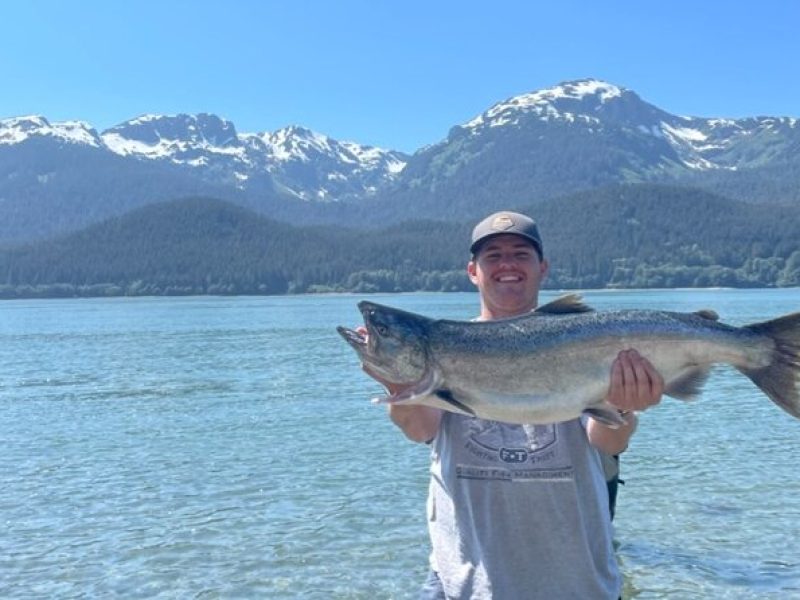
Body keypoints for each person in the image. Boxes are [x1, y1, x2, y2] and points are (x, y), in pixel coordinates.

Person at [361, 211, 663, 599]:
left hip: (576, 581)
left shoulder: (584, 342)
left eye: (521, 254)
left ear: (543, 268)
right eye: (493, 256)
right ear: (473, 270)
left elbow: (607, 443)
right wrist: (399, 385)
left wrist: (625, 407)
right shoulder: (446, 346)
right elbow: (420, 429)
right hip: (465, 583)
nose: (507, 264)